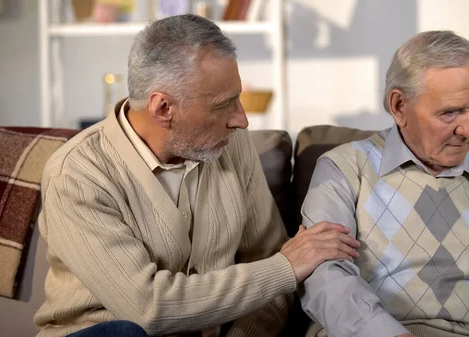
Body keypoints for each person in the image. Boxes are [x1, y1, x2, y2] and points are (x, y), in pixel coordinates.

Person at [34, 14, 360, 337]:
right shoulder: (78, 174)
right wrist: (286, 268)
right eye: (224, 105)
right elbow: (149, 308)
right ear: (163, 108)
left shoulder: (233, 146)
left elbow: (271, 283)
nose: (242, 120)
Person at [299, 30, 469, 337]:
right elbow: (325, 278)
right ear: (399, 106)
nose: (468, 129)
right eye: (450, 112)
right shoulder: (344, 170)